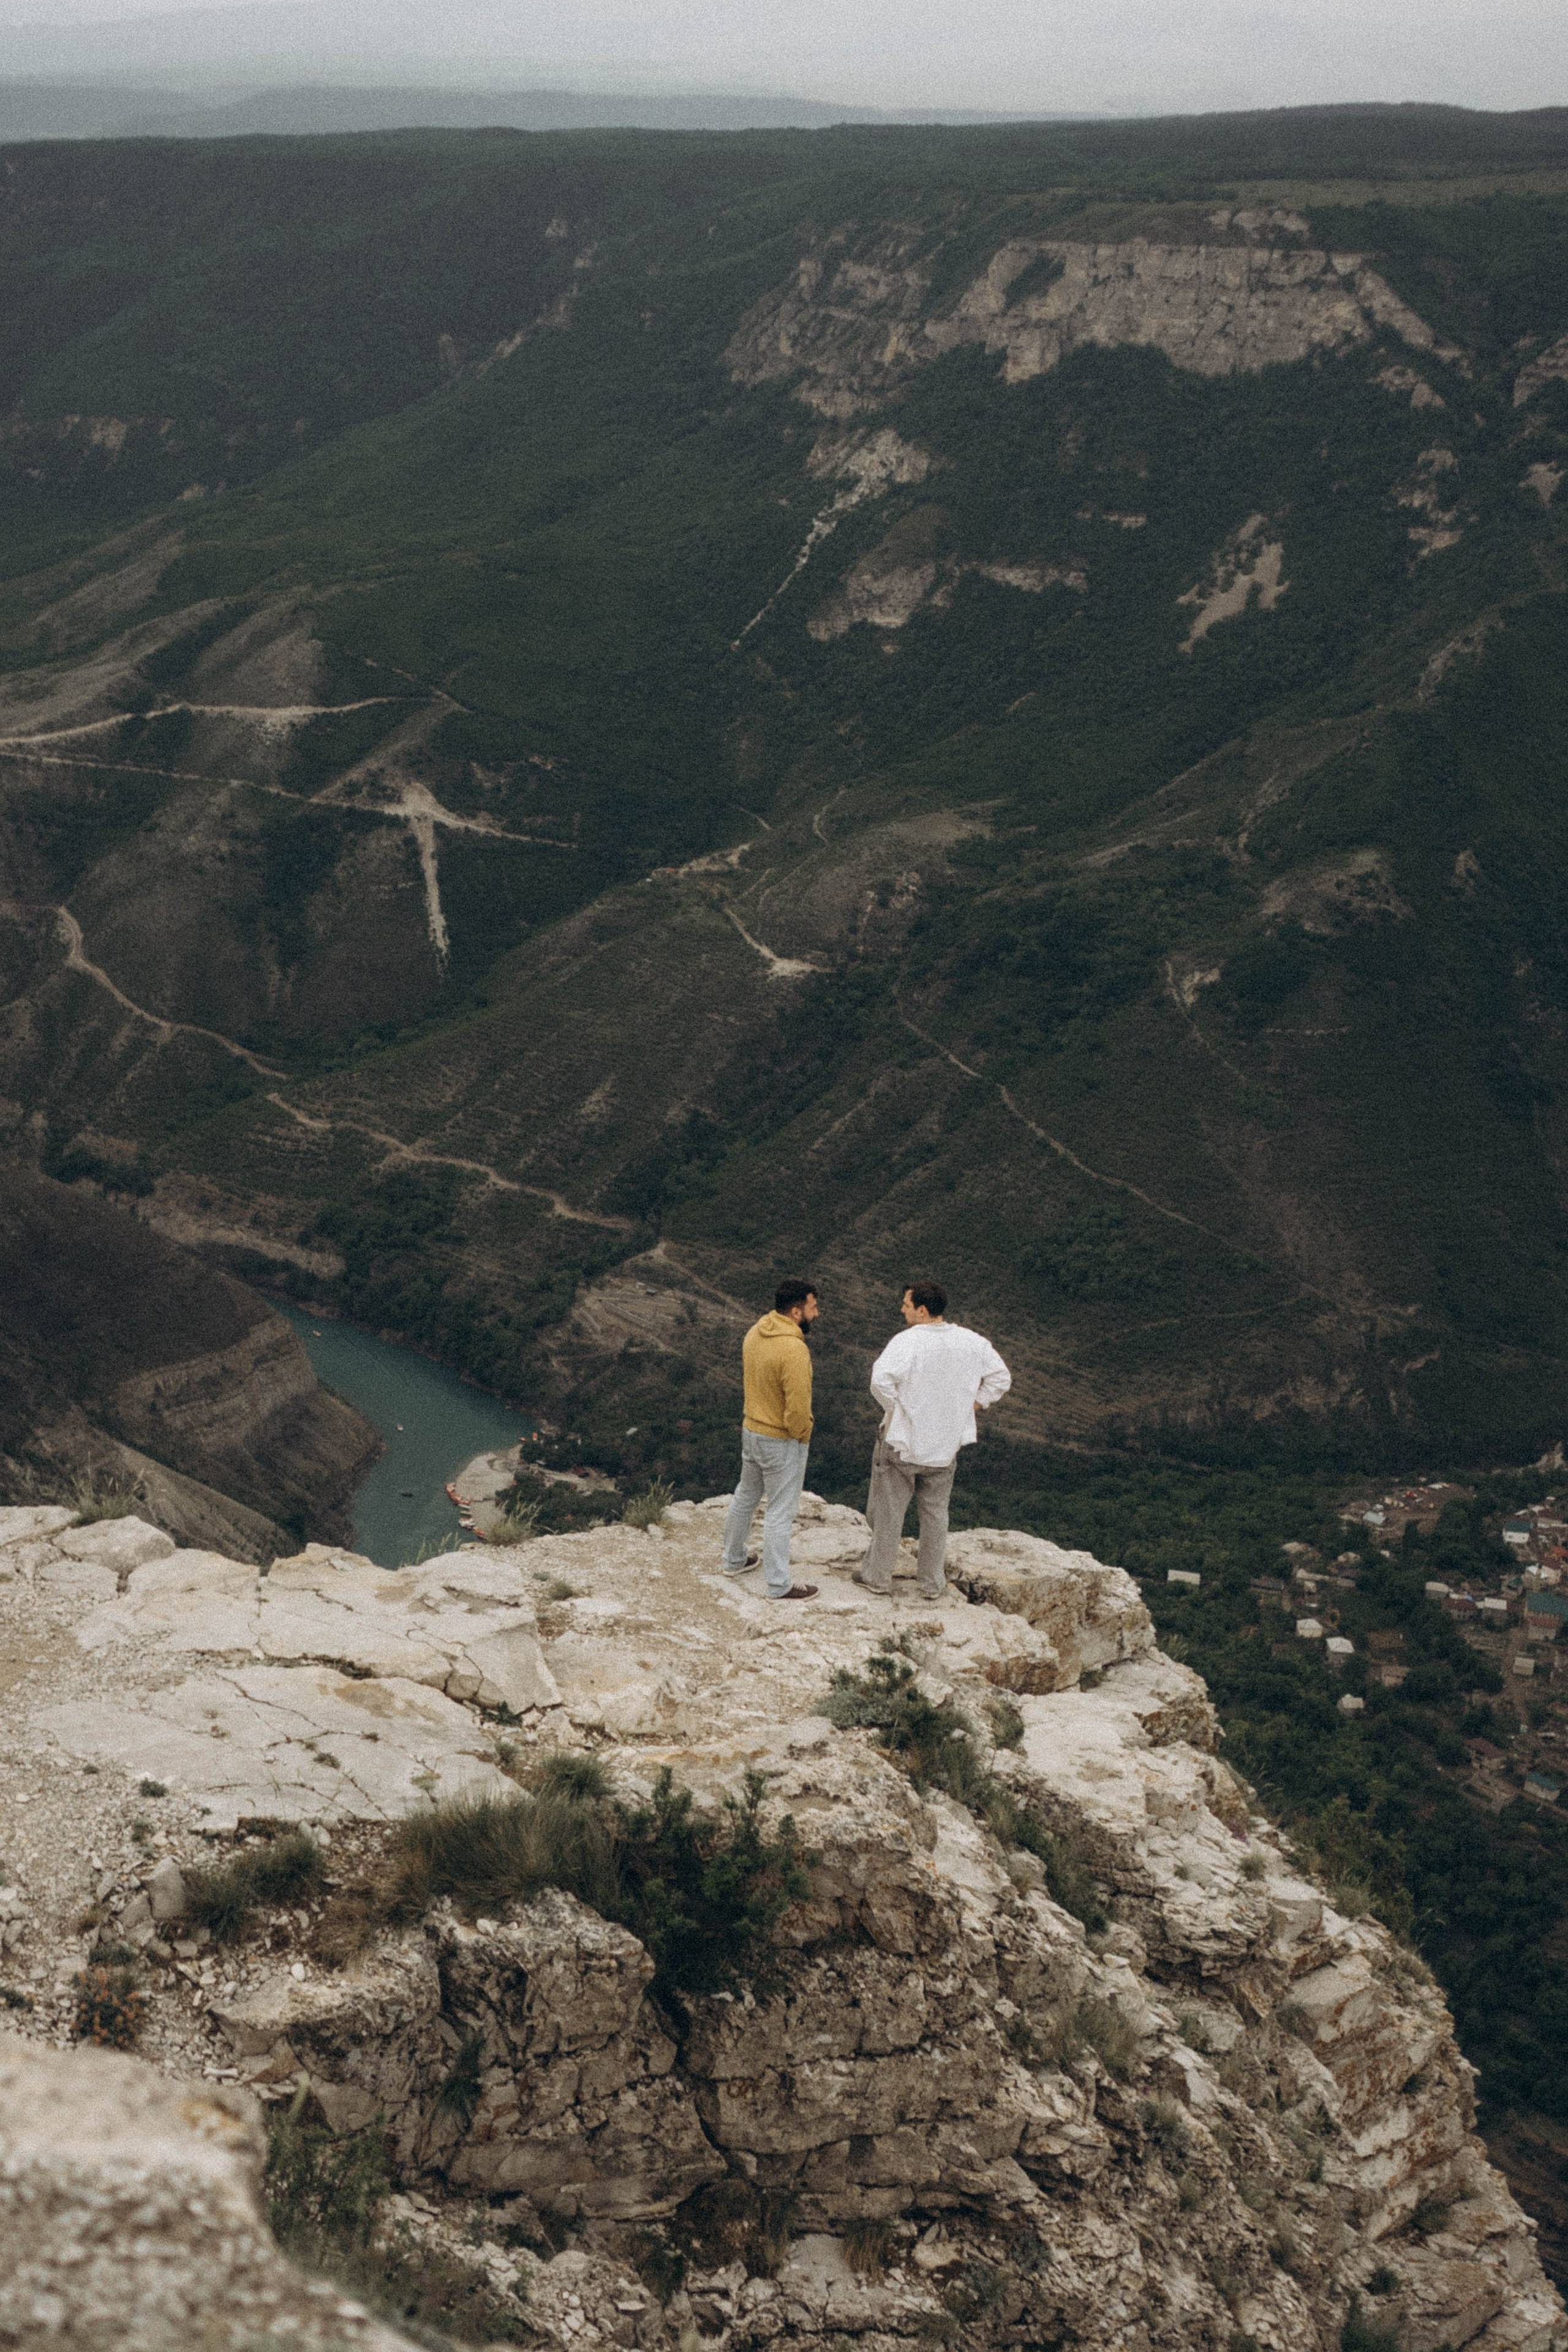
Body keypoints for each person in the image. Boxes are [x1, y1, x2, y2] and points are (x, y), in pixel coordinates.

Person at [856, 1281, 1011, 1600]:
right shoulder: (973, 1342)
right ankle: (931, 1583)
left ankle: (878, 1577)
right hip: (945, 1444)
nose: (902, 1309)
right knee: (936, 1514)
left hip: (903, 1441)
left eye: (906, 1305)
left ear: (922, 1310)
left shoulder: (907, 1342)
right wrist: (972, 1406)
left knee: (888, 1512)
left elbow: (880, 1381)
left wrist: (899, 1411)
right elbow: (1001, 1378)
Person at [720, 1277, 820, 1601]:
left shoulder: (755, 1332)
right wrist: (801, 1433)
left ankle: (734, 1559)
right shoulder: (794, 1349)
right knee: (781, 1511)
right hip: (780, 1439)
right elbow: (798, 1408)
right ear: (795, 1312)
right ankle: (779, 1585)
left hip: (752, 1430)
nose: (816, 1314)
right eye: (812, 1307)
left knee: (746, 1495)